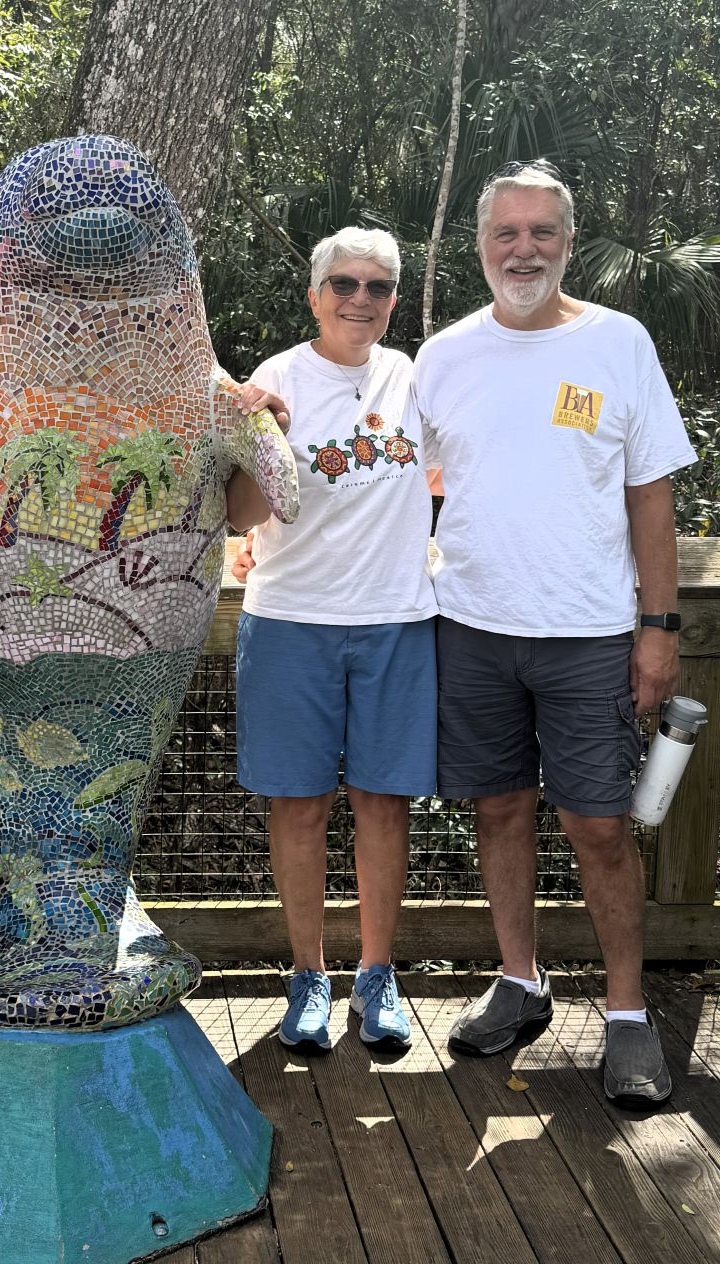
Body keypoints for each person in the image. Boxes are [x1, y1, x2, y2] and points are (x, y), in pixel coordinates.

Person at [413, 160, 696, 1105]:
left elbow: (651, 495)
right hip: (470, 627)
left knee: (600, 826)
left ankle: (627, 1014)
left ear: (568, 243)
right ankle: (520, 982)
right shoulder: (444, 355)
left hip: (590, 633)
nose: (523, 249)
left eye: (542, 232)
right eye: (507, 232)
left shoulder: (619, 343)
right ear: (480, 246)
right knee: (497, 810)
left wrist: (659, 628)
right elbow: (403, 482)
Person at [228, 227, 437, 1052]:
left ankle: (377, 976)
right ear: (315, 295)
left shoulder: (416, 378)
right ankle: (308, 975)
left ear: (394, 299)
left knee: (383, 803)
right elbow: (240, 514)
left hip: (396, 618)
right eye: (344, 284)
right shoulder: (276, 377)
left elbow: (459, 471)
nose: (360, 299)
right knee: (299, 805)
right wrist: (260, 438)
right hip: (291, 619)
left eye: (378, 286)